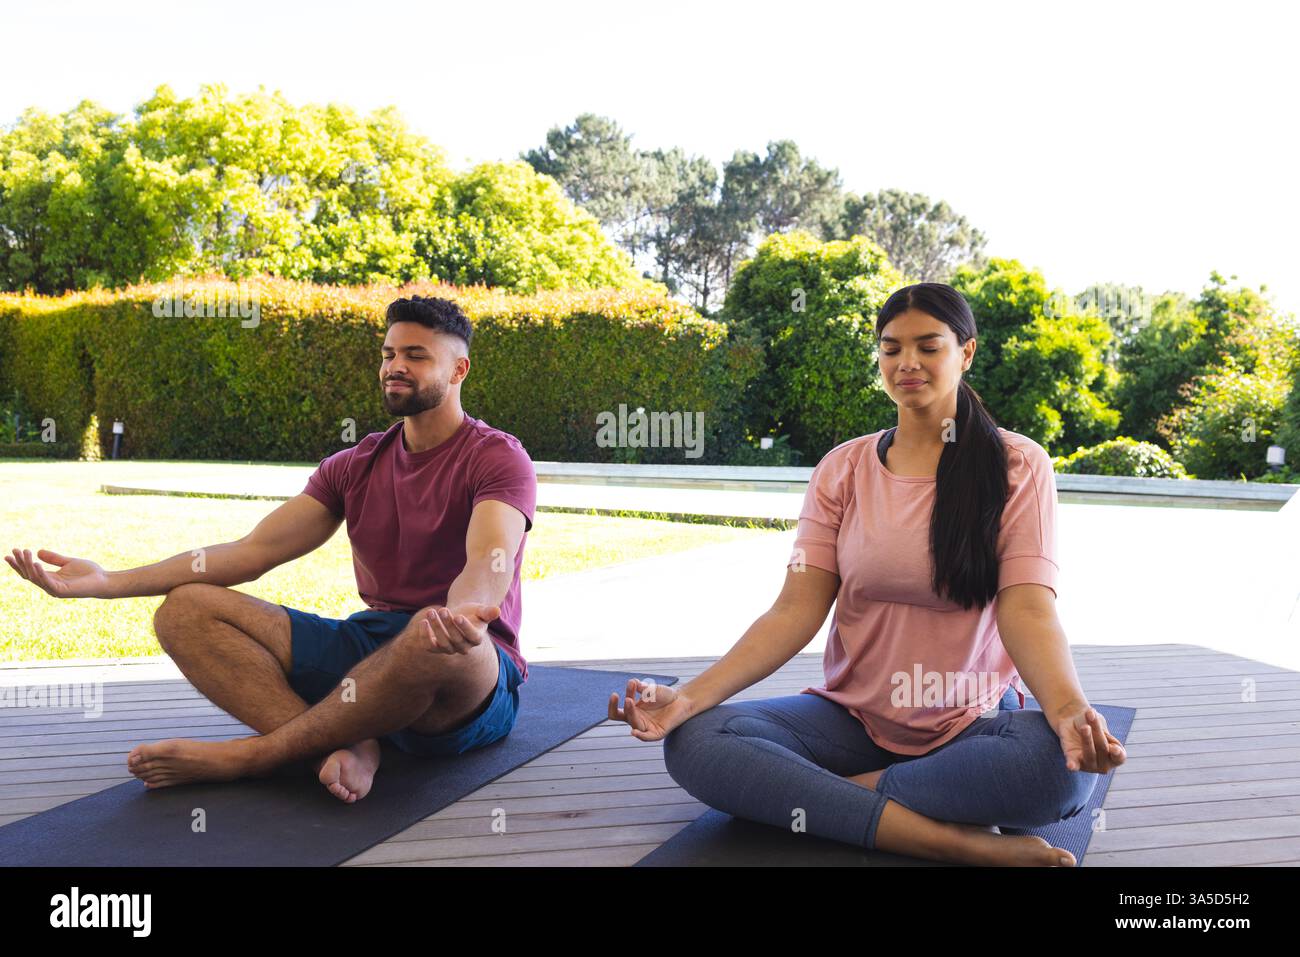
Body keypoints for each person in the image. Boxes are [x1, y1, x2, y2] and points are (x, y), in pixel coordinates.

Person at [608, 281, 1127, 866]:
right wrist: (686, 698)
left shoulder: (1017, 464)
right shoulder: (843, 468)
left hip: (971, 723)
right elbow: (794, 609)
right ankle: (949, 839)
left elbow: (1028, 608)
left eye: (928, 346)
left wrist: (1066, 714)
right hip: (852, 720)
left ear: (967, 352)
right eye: (891, 348)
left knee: (1054, 771)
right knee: (697, 741)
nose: (907, 363)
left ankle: (828, 802)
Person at [7, 295, 537, 803]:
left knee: (429, 629)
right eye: (389, 354)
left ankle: (254, 757)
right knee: (185, 609)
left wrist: (463, 617)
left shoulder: (496, 458)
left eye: (416, 356)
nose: (395, 366)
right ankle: (339, 746)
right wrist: (106, 582)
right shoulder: (355, 464)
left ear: (459, 370)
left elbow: (488, 557)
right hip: (372, 646)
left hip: (465, 669)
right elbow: (253, 551)